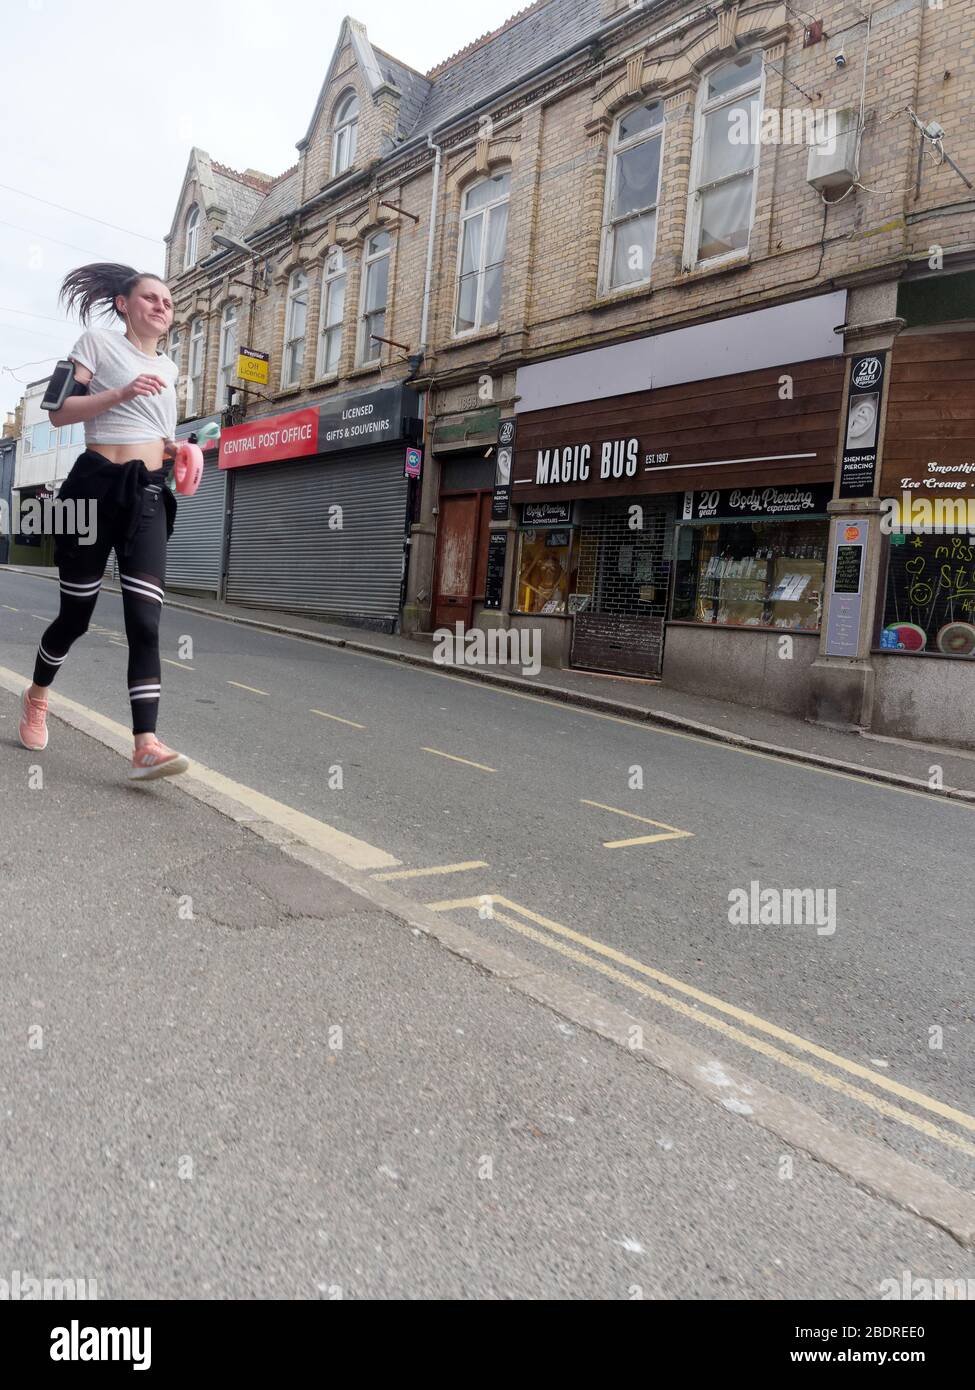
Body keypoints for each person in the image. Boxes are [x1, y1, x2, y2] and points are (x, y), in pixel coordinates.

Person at [18, 262, 190, 781]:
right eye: (151, 299)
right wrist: (119, 392)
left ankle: (145, 744)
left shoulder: (173, 370)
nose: (162, 307)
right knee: (77, 618)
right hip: (94, 487)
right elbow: (58, 411)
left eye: (168, 302)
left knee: (145, 621)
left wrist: (181, 449)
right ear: (124, 304)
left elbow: (157, 432)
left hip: (147, 494)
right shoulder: (96, 341)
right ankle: (37, 695)